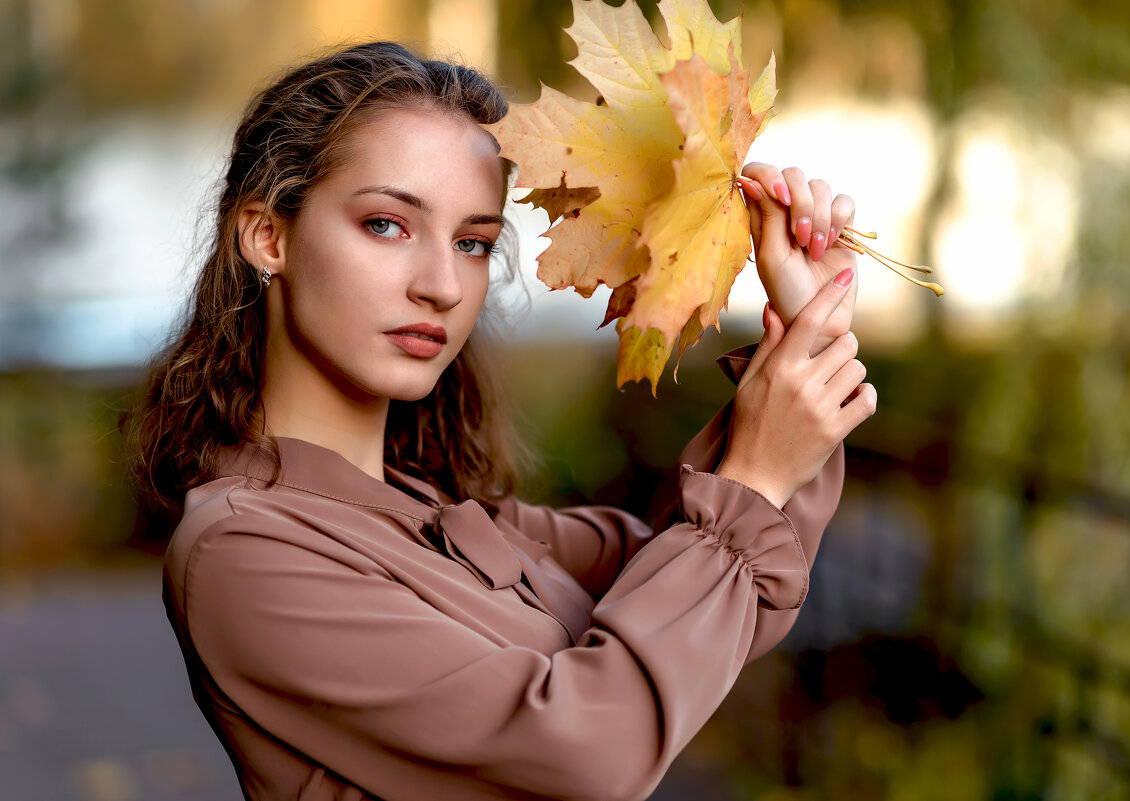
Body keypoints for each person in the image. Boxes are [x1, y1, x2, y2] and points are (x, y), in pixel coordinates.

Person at [123, 40, 874, 801]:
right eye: (386, 224)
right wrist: (754, 474)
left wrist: (800, 329)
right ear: (267, 236)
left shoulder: (447, 513)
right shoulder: (244, 552)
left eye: (473, 242)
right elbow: (588, 751)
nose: (443, 286)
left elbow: (723, 596)